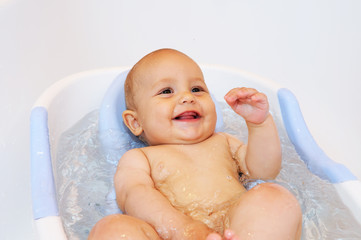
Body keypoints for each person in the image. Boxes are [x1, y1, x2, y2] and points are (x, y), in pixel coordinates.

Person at [88, 49, 302, 240]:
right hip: (172, 233)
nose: (187, 97)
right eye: (166, 91)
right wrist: (180, 228)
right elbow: (133, 194)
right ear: (135, 122)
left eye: (197, 89)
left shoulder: (224, 142)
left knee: (275, 197)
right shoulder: (140, 158)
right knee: (111, 228)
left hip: (235, 230)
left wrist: (259, 125)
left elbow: (264, 171)